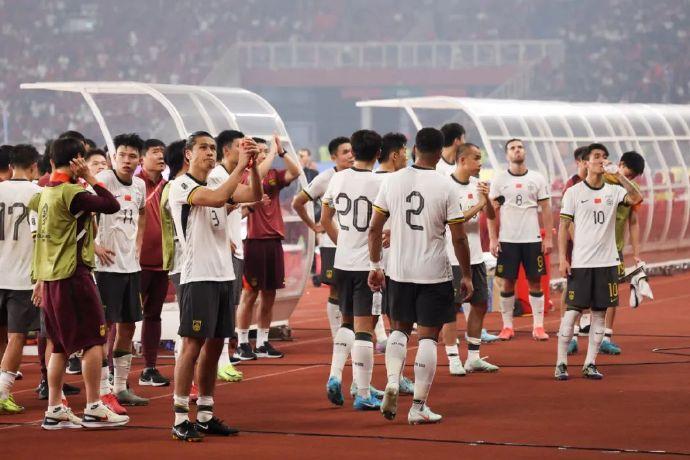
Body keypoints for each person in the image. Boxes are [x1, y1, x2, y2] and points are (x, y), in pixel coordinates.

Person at [368, 127, 472, 425]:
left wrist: (375, 265)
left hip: (399, 271)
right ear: (440, 153)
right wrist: (466, 275)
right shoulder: (446, 185)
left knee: (398, 331)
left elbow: (374, 228)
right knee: (428, 337)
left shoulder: (392, 181)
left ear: (415, 148)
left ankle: (392, 380)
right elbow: (459, 236)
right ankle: (418, 407)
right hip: (433, 272)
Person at [168, 131, 261, 441]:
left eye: (212, 148)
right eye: (203, 148)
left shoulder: (217, 182)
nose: (210, 152)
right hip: (197, 276)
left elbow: (254, 195)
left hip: (223, 274)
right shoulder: (181, 185)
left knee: (216, 345)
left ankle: (206, 415)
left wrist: (253, 167)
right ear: (188, 154)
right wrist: (241, 167)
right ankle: (180, 417)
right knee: (192, 346)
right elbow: (218, 198)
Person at [29, 137, 127, 429]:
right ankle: (94, 406)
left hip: (50, 278)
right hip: (74, 276)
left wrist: (38, 279)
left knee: (59, 346)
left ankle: (54, 408)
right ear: (78, 162)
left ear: (50, 161)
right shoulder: (73, 193)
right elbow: (111, 205)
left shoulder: (43, 194)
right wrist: (90, 178)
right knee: (95, 340)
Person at [555, 143, 642, 380]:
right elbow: (563, 226)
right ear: (585, 163)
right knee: (572, 313)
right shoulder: (574, 192)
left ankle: (590, 363)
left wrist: (620, 176)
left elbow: (637, 197)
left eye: (604, 156)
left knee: (599, 314)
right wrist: (562, 258)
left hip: (607, 263)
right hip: (582, 263)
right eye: (596, 156)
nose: (602, 160)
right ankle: (561, 363)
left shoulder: (614, 191)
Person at [321, 130, 385, 410]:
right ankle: (363, 392)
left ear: (354, 151)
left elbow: (325, 218)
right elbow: (377, 229)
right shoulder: (380, 183)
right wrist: (375, 262)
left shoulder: (337, 177)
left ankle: (335, 375)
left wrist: (344, 243)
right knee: (364, 329)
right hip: (366, 265)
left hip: (342, 262)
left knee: (346, 323)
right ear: (379, 153)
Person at [94, 133, 149, 406]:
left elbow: (142, 213)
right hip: (106, 268)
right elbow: (82, 213)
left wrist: (138, 243)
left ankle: (120, 388)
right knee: (102, 329)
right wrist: (94, 246)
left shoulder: (139, 185)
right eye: (122, 155)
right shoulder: (103, 180)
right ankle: (102, 389)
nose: (127, 160)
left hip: (130, 267)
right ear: (113, 157)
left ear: (140, 160)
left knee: (128, 326)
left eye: (132, 156)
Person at [235, 135, 300, 360]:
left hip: (274, 240)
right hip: (253, 241)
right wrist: (272, 152)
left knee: (269, 294)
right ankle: (242, 342)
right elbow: (259, 173)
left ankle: (262, 342)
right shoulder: (245, 175)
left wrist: (281, 152)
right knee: (249, 294)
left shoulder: (274, 175)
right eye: (260, 151)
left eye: (265, 151)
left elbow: (296, 172)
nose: (264, 154)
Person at [440, 143, 500, 375]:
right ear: (462, 160)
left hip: (476, 256)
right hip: (453, 257)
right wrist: (480, 204)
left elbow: (490, 214)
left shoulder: (478, 184)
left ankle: (473, 357)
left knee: (480, 304)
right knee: (450, 309)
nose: (480, 162)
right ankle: (453, 358)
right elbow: (454, 220)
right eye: (476, 157)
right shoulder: (446, 185)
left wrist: (486, 200)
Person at [488, 139, 554, 341]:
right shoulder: (499, 180)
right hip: (508, 240)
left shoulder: (537, 178)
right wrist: (493, 239)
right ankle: (507, 327)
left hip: (532, 239)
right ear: (507, 154)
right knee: (507, 283)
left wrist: (548, 238)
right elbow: (491, 212)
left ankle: (538, 327)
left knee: (535, 282)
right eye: (512, 148)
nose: (517, 150)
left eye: (520, 147)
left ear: (524, 152)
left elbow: (546, 208)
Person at [292, 137, 353, 337]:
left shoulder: (359, 175)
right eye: (345, 152)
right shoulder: (325, 178)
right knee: (335, 289)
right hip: (332, 244)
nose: (351, 155)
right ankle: (338, 336)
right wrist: (313, 225)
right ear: (333, 157)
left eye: (352, 151)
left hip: (356, 243)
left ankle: (357, 334)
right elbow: (298, 202)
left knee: (356, 289)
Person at [0, 144, 42, 414]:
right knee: (16, 337)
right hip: (22, 277)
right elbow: (42, 238)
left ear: (10, 165)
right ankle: (3, 393)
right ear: (34, 166)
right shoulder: (38, 194)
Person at [209, 129, 249, 383]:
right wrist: (223, 240)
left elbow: (237, 204)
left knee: (230, 307)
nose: (243, 150)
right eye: (239, 146)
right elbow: (211, 213)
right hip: (224, 251)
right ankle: (220, 360)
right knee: (223, 308)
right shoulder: (217, 176)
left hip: (236, 248)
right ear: (226, 150)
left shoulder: (232, 175)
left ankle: (223, 358)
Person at [600, 151, 645, 354]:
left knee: (612, 292)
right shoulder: (600, 180)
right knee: (585, 291)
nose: (631, 177)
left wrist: (636, 252)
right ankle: (574, 334)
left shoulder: (630, 189)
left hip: (614, 249)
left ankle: (606, 338)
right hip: (592, 246)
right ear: (620, 164)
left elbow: (633, 222)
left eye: (634, 176)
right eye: (629, 172)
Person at [135, 138, 172, 386]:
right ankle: (113, 372)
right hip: (134, 263)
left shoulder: (169, 186)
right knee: (123, 319)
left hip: (161, 262)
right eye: (155, 152)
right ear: (142, 158)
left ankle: (149, 368)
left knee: (153, 315)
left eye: (162, 152)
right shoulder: (133, 184)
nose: (160, 156)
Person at [297, 148, 321, 286]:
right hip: (294, 216)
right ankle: (292, 271)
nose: (301, 158)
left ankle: (312, 270)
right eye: (299, 155)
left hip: (310, 214)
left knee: (311, 243)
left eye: (303, 156)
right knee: (292, 244)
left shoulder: (314, 174)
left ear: (309, 158)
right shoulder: (293, 172)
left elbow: (317, 196)